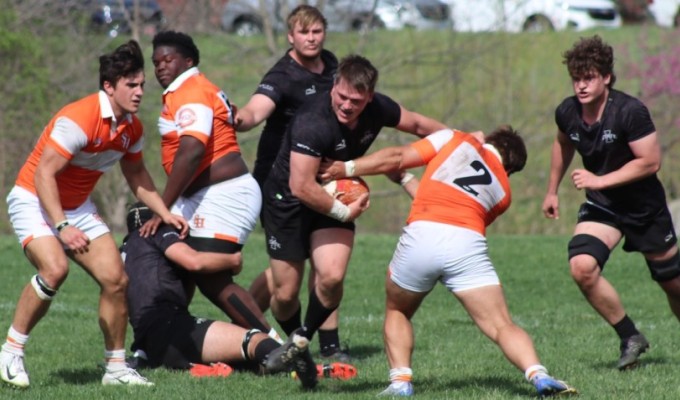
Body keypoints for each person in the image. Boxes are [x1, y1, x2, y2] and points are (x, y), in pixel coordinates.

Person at [320, 126, 577, 397]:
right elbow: (455, 207)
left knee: (398, 311)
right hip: (466, 243)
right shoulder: (504, 193)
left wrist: (345, 168)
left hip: (423, 234)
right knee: (502, 324)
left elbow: (398, 156)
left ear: (489, 140)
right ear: (509, 168)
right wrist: (406, 179)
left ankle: (400, 383)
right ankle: (539, 375)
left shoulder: (454, 138)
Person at [0, 40, 188, 388]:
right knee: (55, 268)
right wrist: (62, 226)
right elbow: (43, 175)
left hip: (76, 206)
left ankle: (115, 369)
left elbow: (136, 175)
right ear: (108, 86)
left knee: (116, 280)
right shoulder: (80, 118)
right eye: (131, 84)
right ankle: (11, 351)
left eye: (142, 84)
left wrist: (165, 211)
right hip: (34, 199)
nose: (139, 91)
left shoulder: (131, 128)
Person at [262, 54, 448, 366]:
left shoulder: (378, 109)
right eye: (342, 97)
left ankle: (302, 340)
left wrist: (460, 142)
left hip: (333, 198)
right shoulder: (313, 121)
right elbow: (302, 186)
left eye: (356, 101)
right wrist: (343, 213)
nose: (347, 106)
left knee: (332, 277)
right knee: (284, 294)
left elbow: (418, 124)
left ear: (370, 98)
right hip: (288, 201)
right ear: (334, 86)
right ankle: (302, 355)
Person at [542, 35, 680, 370]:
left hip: (644, 208)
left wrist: (598, 179)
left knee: (672, 284)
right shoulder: (567, 111)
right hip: (603, 205)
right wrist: (551, 190)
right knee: (582, 267)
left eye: (588, 77)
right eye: (577, 78)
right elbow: (562, 144)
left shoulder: (630, 111)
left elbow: (649, 162)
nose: (581, 85)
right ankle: (630, 336)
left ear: (606, 77)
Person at [147, 30, 275, 338]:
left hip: (225, 194)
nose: (161, 67)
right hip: (202, 195)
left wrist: (162, 207)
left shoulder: (191, 90)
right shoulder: (186, 90)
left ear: (188, 61)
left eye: (168, 60)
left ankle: (275, 348)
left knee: (211, 278)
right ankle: (162, 340)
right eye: (156, 62)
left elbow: (192, 151)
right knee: (173, 261)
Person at [121, 203, 317, 389]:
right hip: (171, 329)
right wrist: (232, 260)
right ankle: (304, 366)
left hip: (148, 344)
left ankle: (283, 368)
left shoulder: (124, 250)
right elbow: (193, 262)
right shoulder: (156, 232)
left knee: (247, 361)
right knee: (253, 339)